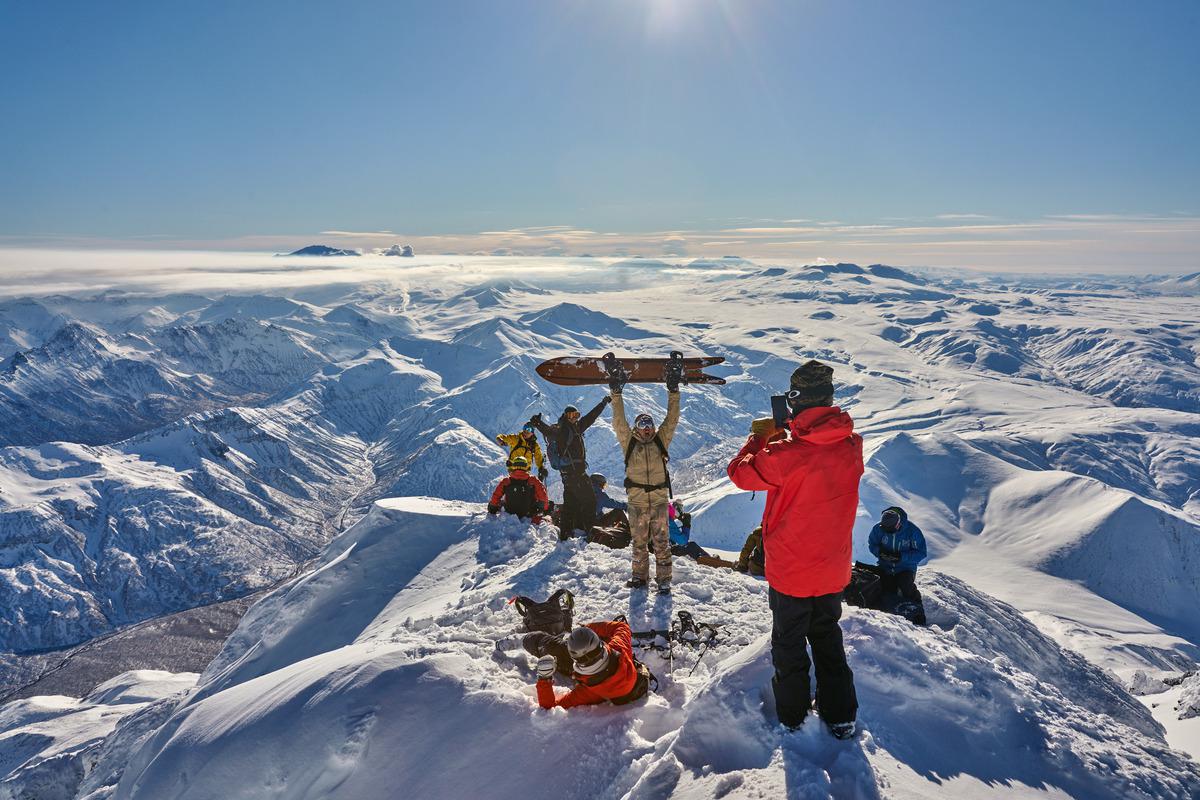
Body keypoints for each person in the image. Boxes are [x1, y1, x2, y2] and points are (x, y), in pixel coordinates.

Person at [726, 359, 863, 740]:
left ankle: (794, 716)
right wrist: (791, 433)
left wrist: (760, 440)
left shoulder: (784, 455)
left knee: (788, 644)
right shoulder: (852, 445)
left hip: (791, 570)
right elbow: (819, 456)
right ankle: (840, 716)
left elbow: (739, 473)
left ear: (796, 401)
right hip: (832, 568)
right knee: (827, 637)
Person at [610, 366, 681, 593]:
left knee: (662, 544)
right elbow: (619, 420)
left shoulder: (661, 441)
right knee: (639, 544)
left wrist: (673, 391)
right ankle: (640, 578)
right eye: (642, 424)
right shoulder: (628, 442)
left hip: (659, 500)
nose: (648, 428)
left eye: (649, 424)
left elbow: (672, 419)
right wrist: (616, 393)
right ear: (636, 428)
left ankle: (664, 581)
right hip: (638, 502)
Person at [530, 397, 611, 541]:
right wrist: (538, 424)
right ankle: (591, 532)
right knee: (590, 500)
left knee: (570, 505)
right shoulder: (563, 430)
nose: (574, 418)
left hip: (568, 476)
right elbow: (549, 431)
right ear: (566, 416)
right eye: (571, 415)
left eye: (576, 415)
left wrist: (603, 403)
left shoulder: (576, 428)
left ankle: (565, 535)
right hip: (577, 475)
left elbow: (591, 417)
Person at [522, 621, 648, 709]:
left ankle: (521, 639)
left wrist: (544, 678)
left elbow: (550, 707)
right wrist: (587, 630)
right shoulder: (619, 650)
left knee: (549, 645)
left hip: (546, 645)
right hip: (619, 673)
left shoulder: (589, 692)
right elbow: (622, 627)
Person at [867, 506, 926, 621]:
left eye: (891, 530)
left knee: (906, 586)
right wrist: (880, 553)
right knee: (886, 589)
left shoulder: (912, 531)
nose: (888, 532)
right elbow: (872, 544)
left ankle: (918, 612)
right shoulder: (877, 529)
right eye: (886, 530)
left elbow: (921, 553)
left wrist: (901, 557)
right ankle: (891, 617)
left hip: (905, 568)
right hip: (885, 566)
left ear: (898, 524)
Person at [486, 456, 549, 523]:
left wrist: (492, 508)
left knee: (501, 501)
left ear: (513, 467)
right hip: (528, 513)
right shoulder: (533, 480)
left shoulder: (506, 481)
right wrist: (543, 509)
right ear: (526, 467)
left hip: (510, 512)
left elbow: (496, 496)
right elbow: (543, 497)